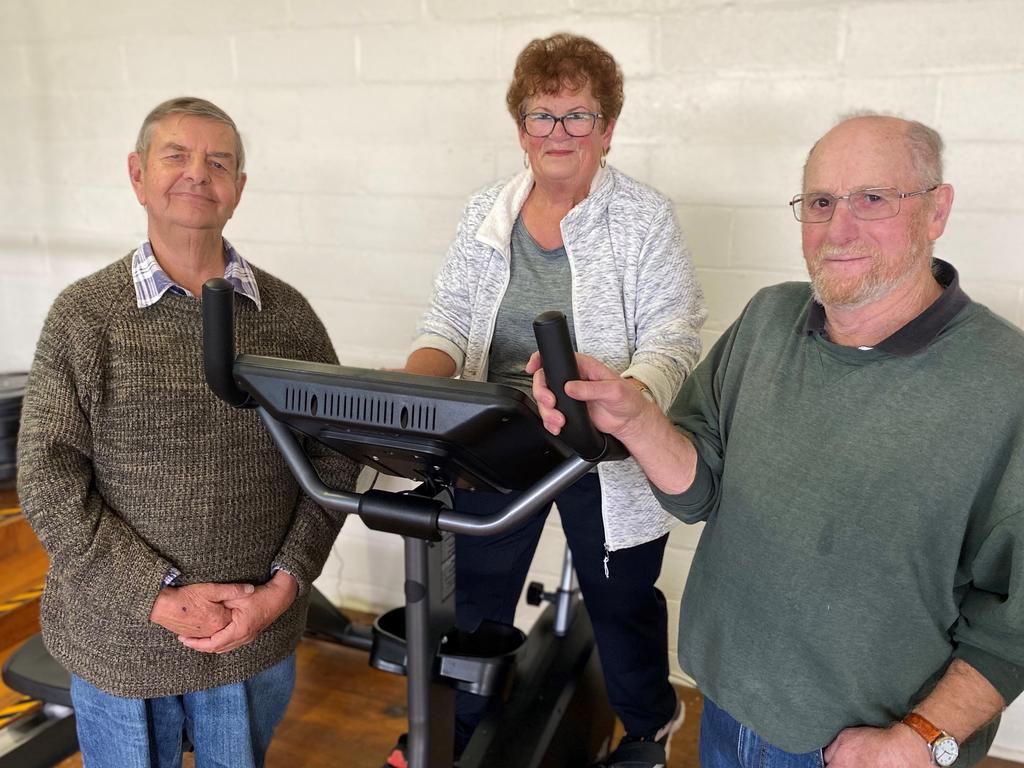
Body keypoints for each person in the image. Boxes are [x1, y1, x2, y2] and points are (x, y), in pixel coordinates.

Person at [528, 113, 1024, 768]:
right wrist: (635, 419)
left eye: (872, 199)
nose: (837, 228)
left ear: (937, 211)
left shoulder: (1004, 385)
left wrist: (919, 742)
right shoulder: (769, 320)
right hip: (726, 706)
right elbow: (696, 488)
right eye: (820, 202)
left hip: (861, 749)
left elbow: (1013, 624)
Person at [389, 32, 705, 768]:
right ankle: (456, 732)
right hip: (500, 437)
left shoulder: (643, 218)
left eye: (578, 116)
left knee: (620, 598)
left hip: (605, 446)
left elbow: (674, 334)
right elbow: (445, 322)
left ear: (608, 129)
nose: (558, 132)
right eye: (541, 114)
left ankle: (650, 726)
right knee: (473, 597)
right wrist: (414, 391)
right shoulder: (484, 214)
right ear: (520, 126)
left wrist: (629, 398)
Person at [17, 96, 359, 768]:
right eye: (176, 154)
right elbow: (47, 478)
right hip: (121, 639)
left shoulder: (287, 317)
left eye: (219, 161)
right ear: (137, 174)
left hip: (252, 631)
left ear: (238, 189)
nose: (197, 173)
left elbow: (335, 460)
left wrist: (286, 586)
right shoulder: (86, 317)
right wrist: (155, 597)